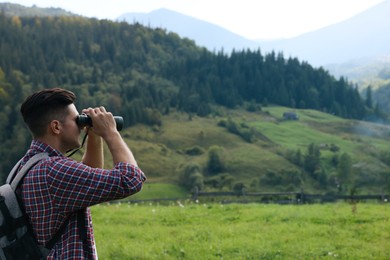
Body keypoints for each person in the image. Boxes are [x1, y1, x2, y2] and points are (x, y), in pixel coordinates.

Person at [17, 88, 146, 259]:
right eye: (76, 120)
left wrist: (94, 135)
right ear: (56, 126)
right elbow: (130, 180)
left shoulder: (27, 165)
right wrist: (111, 132)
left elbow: (87, 177)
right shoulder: (53, 170)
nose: (81, 125)